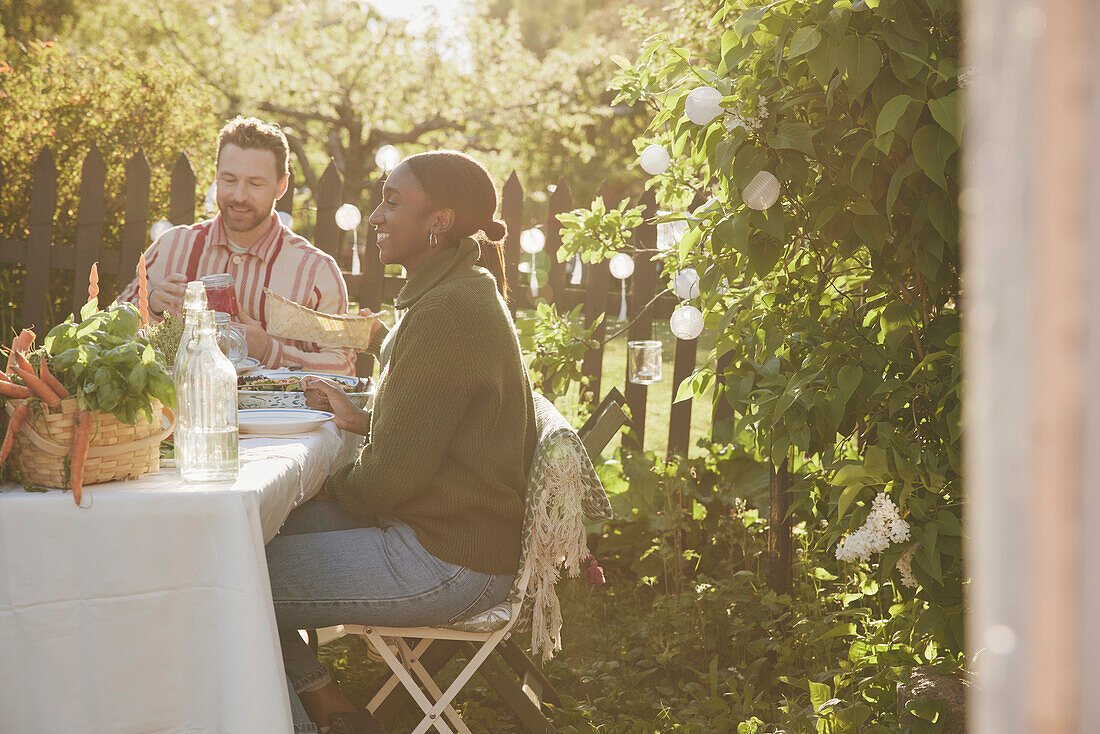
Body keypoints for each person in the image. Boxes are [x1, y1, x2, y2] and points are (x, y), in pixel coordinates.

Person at [264, 150, 537, 734]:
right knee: (246, 543)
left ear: (438, 222)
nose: (375, 217)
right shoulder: (456, 291)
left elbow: (386, 482)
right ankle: (325, 703)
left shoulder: (446, 310)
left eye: (392, 202)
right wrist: (366, 421)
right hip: (448, 537)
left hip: (447, 559)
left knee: (230, 579)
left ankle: (311, 715)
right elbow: (443, 426)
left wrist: (321, 489)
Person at [118, 116, 356, 375]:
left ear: (281, 185)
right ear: (216, 175)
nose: (240, 196)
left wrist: (269, 351)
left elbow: (342, 367)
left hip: (276, 415)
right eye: (229, 180)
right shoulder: (171, 248)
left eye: (255, 183)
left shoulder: (316, 272)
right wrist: (151, 306)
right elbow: (110, 331)